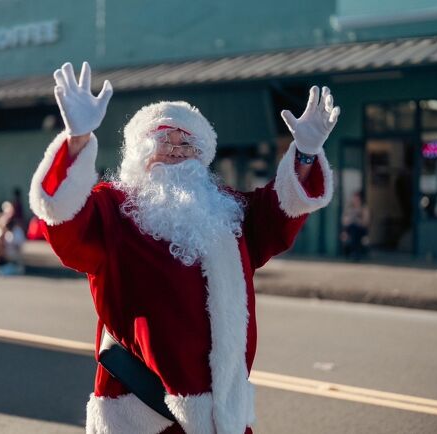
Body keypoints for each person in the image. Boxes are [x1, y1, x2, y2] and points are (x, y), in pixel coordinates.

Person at [29, 62, 339, 433]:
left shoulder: (226, 209)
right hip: (142, 412)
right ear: (140, 152)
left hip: (222, 415)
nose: (176, 150)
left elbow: (280, 210)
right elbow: (64, 218)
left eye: (187, 143)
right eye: (164, 140)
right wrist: (77, 140)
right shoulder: (113, 208)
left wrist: (305, 153)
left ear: (203, 154)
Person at [340, 191, 370, 260]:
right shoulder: (349, 208)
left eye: (357, 199)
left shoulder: (364, 208)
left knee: (355, 230)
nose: (355, 201)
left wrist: (357, 220)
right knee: (352, 229)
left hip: (361, 229)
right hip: (350, 229)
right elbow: (344, 221)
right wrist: (351, 219)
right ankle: (355, 252)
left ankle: (354, 252)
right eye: (354, 199)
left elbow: (366, 222)